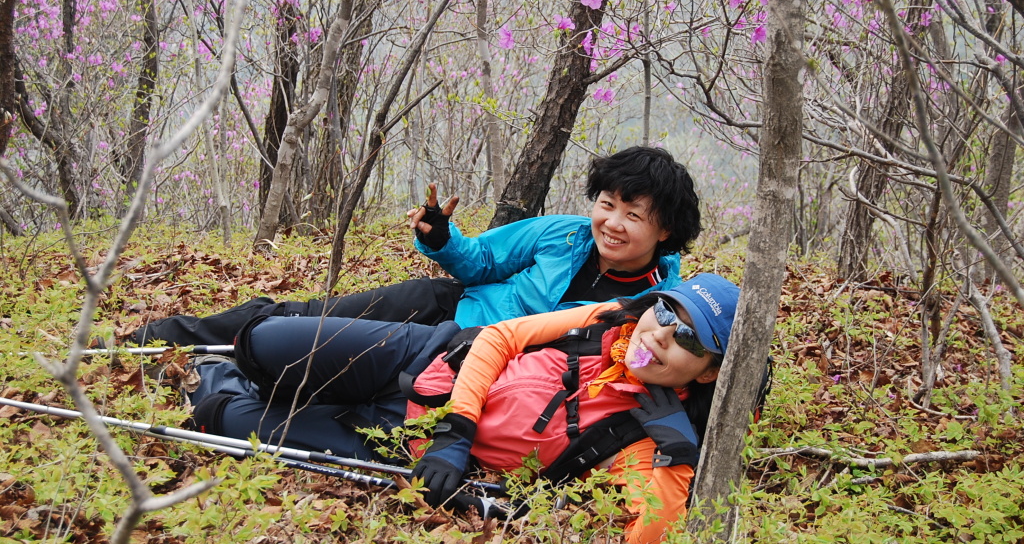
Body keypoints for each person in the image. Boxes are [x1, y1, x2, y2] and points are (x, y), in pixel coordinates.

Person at [188, 273, 740, 544]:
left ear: (709, 371)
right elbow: (502, 336)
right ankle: (252, 370)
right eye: (667, 310)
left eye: (689, 335)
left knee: (228, 419)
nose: (661, 333)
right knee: (263, 342)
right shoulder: (607, 320)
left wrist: (677, 453)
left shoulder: (644, 435)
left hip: (407, 443)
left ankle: (212, 382)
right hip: (425, 357)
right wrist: (459, 426)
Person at [124, 146, 702, 346]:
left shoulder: (662, 300)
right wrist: (442, 236)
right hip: (446, 305)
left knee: (331, 347)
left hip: (470, 350)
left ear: (666, 230)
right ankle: (165, 338)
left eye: (634, 214)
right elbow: (482, 261)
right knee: (311, 315)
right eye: (607, 203)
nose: (612, 222)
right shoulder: (565, 234)